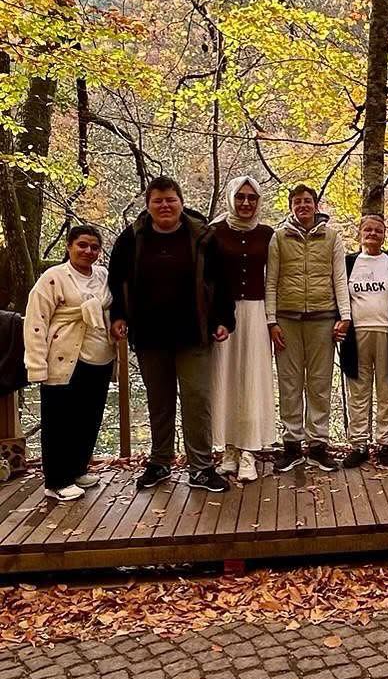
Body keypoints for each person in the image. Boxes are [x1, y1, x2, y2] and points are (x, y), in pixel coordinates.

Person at [109, 176, 234, 492]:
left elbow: (222, 282)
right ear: (148, 205)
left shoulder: (203, 237)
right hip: (149, 335)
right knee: (159, 401)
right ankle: (160, 462)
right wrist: (119, 315)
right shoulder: (132, 238)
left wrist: (224, 319)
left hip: (194, 333)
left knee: (197, 399)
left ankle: (201, 467)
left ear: (181, 202)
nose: (164, 205)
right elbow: (117, 280)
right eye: (158, 201)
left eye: (170, 199)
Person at [24, 225, 115, 502]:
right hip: (63, 357)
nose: (88, 251)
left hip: (99, 357)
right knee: (59, 421)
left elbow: (113, 306)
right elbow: (36, 321)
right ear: (69, 246)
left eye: (94, 247)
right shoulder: (54, 278)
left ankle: (77, 469)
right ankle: (56, 480)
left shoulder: (103, 276)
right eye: (82, 245)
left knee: (88, 418)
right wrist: (36, 364)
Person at [265, 183, 350, 473]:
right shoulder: (279, 238)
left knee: (319, 383)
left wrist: (345, 316)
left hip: (322, 318)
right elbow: (271, 281)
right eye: (297, 202)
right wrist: (271, 321)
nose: (303, 206)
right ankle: (291, 445)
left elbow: (339, 278)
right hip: (287, 320)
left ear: (316, 205)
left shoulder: (331, 237)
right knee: (289, 383)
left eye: (307, 201)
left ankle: (318, 446)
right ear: (291, 207)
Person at [207, 176, 276, 483]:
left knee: (252, 378)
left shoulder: (267, 234)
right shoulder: (214, 232)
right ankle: (229, 450)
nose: (246, 203)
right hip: (224, 314)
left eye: (251, 197)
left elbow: (273, 279)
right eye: (240, 197)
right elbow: (206, 279)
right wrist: (212, 317)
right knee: (225, 378)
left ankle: (249, 450)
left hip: (256, 312)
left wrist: (272, 318)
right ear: (231, 198)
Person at [340, 213, 388, 469]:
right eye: (367, 229)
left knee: (387, 390)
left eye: (378, 230)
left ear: (384, 234)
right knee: (358, 390)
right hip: (356, 335)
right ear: (359, 233)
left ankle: (385, 444)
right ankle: (359, 444)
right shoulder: (348, 263)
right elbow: (338, 295)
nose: (373, 234)